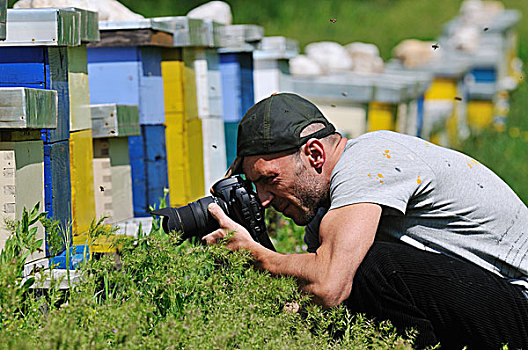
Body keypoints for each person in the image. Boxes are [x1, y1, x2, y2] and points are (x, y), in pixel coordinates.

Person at [202, 93, 528, 349]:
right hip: (487, 307)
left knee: (373, 267)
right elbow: (315, 302)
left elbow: (329, 285)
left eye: (270, 178)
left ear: (314, 154)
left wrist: (256, 255)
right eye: (254, 186)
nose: (264, 199)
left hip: (520, 307)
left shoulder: (368, 160)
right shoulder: (326, 216)